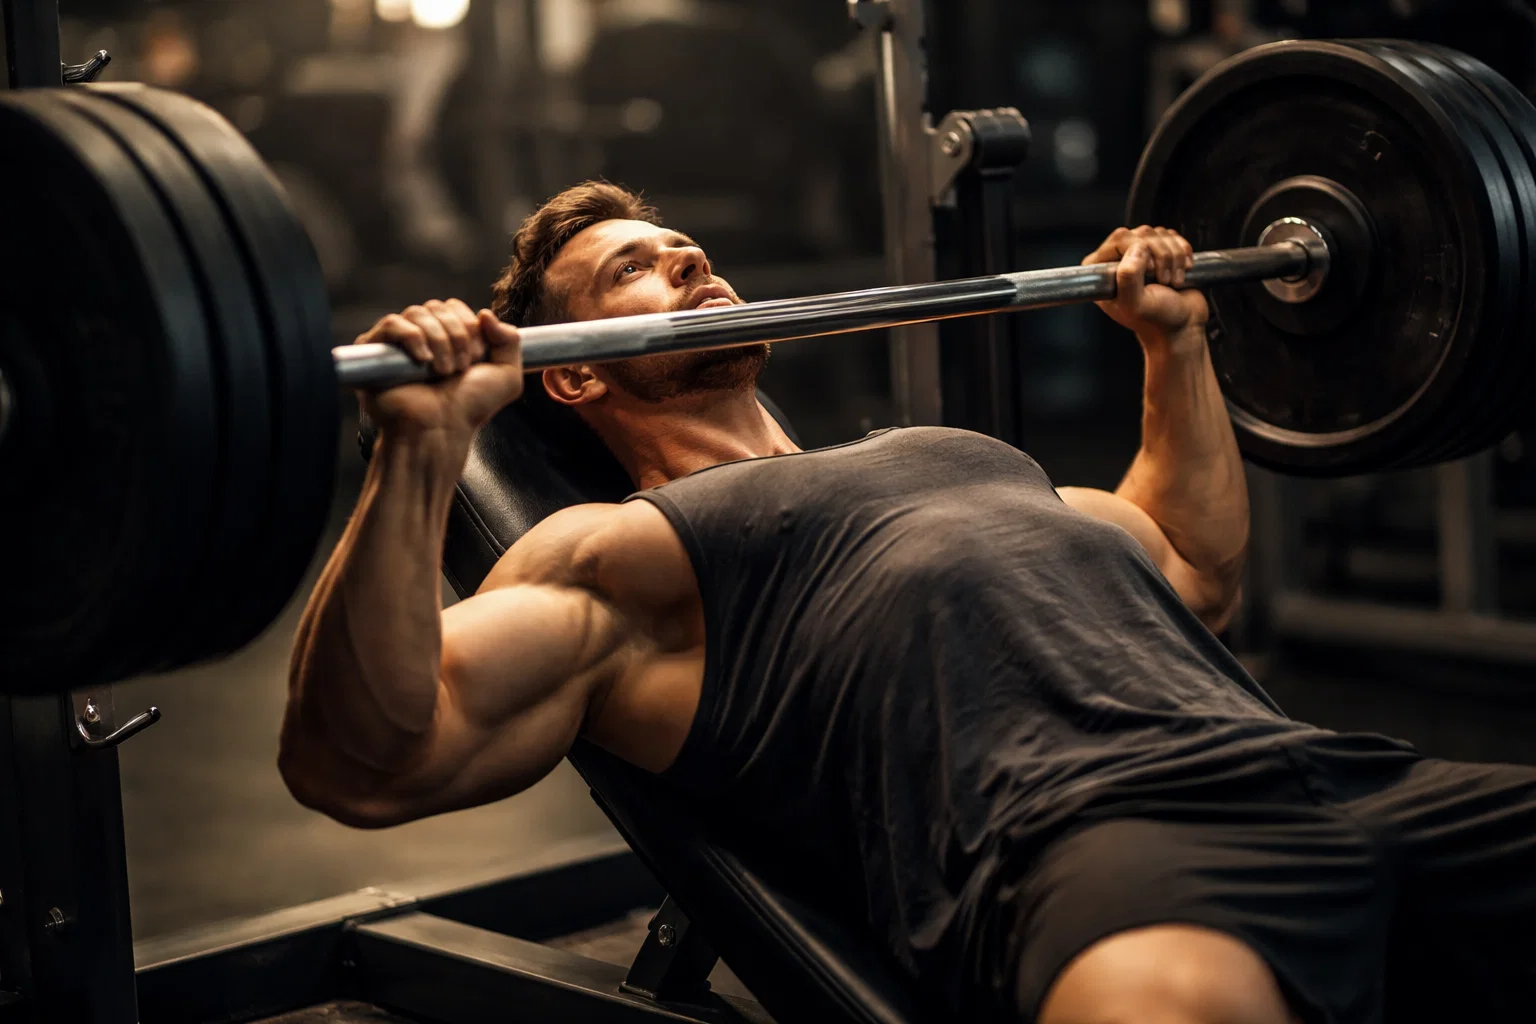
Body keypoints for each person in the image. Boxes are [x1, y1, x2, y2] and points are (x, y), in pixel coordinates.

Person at [282, 182, 1536, 1024]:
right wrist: (420, 451)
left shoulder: (953, 455)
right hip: (1107, 846)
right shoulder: (621, 552)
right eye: (634, 270)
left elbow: (1191, 564)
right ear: (570, 378)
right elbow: (366, 758)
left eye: (685, 249)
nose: (688, 259)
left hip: (1338, 774)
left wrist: (1173, 341)